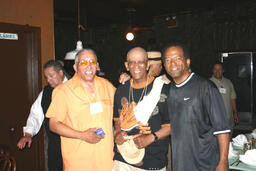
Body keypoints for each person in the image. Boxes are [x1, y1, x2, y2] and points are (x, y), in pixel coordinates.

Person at [46, 48, 116, 171]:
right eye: (83, 62)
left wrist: (128, 83)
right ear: (75, 67)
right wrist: (82, 135)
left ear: (97, 66)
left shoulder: (107, 86)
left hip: (106, 162)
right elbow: (53, 124)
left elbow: (122, 110)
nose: (89, 66)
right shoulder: (63, 91)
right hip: (78, 163)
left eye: (92, 62)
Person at [163, 44, 230, 171]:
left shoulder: (205, 87)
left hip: (205, 163)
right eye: (167, 60)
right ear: (164, 66)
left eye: (177, 58)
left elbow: (222, 129)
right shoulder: (168, 91)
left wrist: (223, 162)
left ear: (187, 62)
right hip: (180, 163)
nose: (172, 63)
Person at [113, 47, 170, 171]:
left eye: (141, 62)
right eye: (132, 62)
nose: (136, 66)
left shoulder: (163, 89)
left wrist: (151, 138)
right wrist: (117, 133)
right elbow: (117, 120)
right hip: (124, 159)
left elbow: (172, 125)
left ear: (148, 64)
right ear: (127, 66)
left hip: (153, 162)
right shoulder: (121, 90)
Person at [17, 60, 68, 171]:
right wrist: (28, 134)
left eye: (51, 76)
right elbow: (35, 114)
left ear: (60, 73)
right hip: (54, 148)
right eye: (46, 77)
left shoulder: (75, 88)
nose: (48, 80)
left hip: (74, 146)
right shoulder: (46, 92)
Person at [210, 62, 239, 136]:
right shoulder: (208, 83)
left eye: (219, 69)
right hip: (215, 119)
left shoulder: (228, 82)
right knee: (216, 141)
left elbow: (233, 98)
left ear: (223, 71)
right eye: (215, 69)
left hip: (229, 117)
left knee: (229, 138)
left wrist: (235, 113)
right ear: (213, 70)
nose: (217, 71)